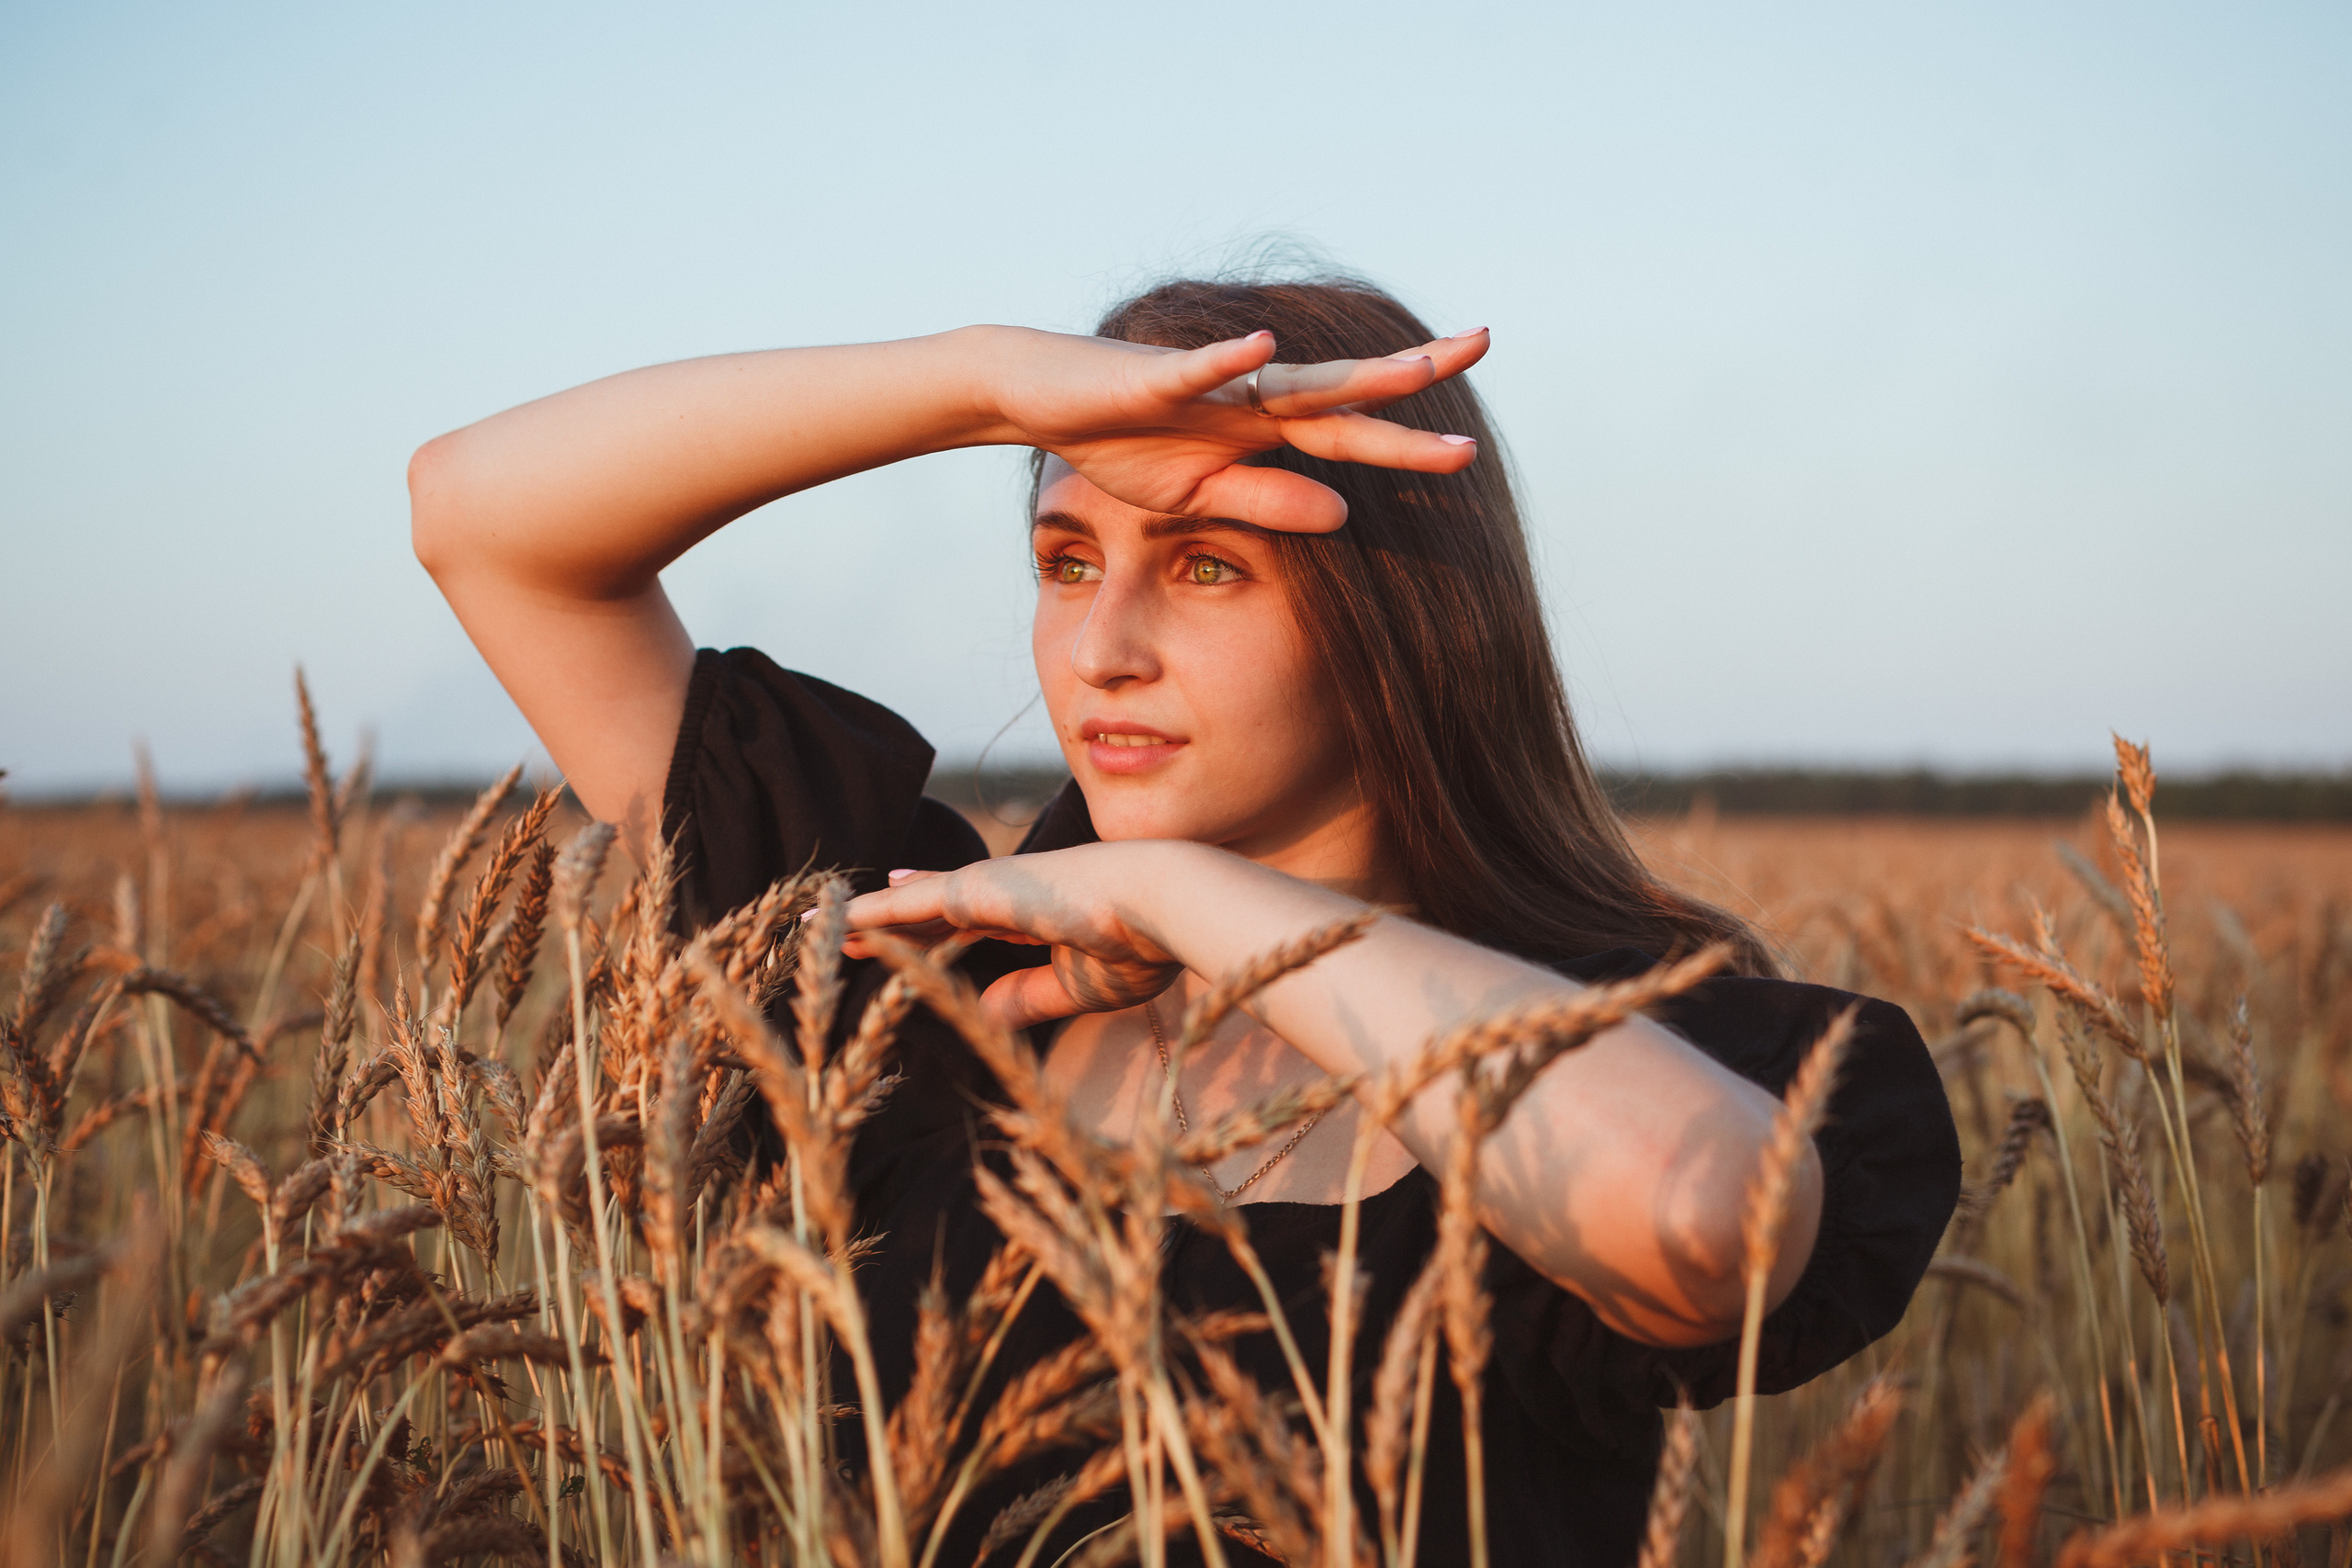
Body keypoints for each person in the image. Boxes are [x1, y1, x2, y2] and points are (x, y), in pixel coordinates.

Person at [410, 273, 1960, 1566]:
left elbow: (1697, 1219)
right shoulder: (910, 976)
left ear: (1402, 626)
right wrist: (992, 386)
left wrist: (1191, 900)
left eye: (1207, 567)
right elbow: (482, 519)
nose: (1100, 649)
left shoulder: (1629, 1046)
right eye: (1065, 558)